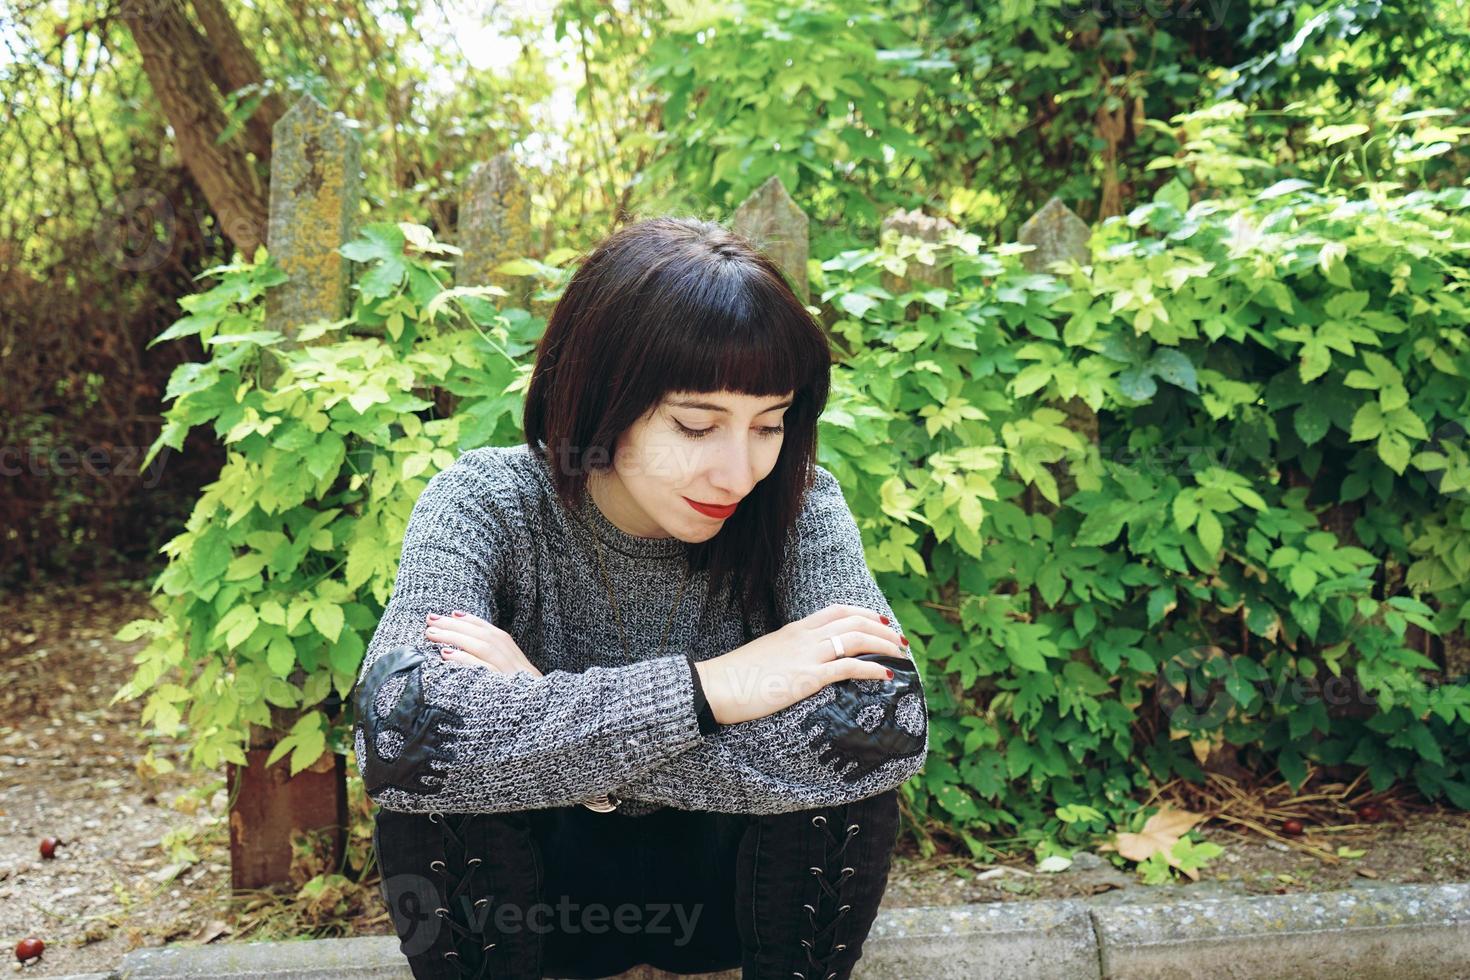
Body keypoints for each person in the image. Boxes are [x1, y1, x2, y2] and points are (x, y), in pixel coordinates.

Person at [352, 216, 929, 980]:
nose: (739, 471)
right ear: (600, 398)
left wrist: (544, 720)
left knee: (852, 788)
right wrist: (714, 687)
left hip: (739, 892)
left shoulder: (800, 507)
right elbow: (402, 734)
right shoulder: (483, 502)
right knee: (437, 792)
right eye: (696, 426)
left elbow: (881, 729)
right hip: (535, 903)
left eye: (770, 425)